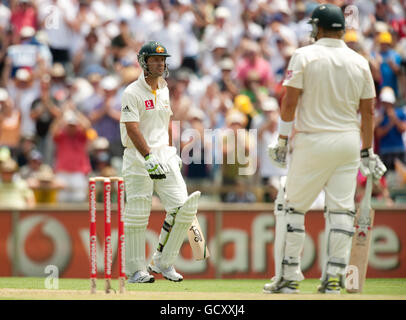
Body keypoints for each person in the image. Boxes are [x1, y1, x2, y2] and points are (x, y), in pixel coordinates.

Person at [265, 4, 387, 295]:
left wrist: (282, 140)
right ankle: (333, 278)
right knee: (342, 212)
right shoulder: (359, 62)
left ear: (318, 28)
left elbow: (289, 102)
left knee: (290, 206)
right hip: (348, 142)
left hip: (313, 139)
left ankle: (288, 276)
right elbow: (368, 112)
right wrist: (367, 151)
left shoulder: (304, 55)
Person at [120, 41, 200, 284]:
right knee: (137, 214)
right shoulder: (132, 92)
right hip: (137, 157)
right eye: (155, 59)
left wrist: (170, 150)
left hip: (164, 155)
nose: (160, 63)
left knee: (183, 208)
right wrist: (148, 157)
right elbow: (132, 128)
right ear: (143, 62)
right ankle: (135, 270)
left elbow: (165, 122)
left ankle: (162, 262)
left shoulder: (164, 89)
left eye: (163, 59)